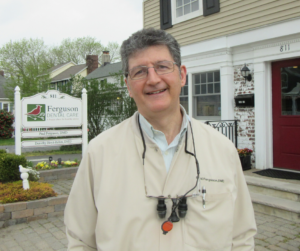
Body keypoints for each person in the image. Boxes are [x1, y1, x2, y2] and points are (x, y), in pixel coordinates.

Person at [64, 28, 257, 251]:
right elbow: (80, 240)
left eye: (163, 67)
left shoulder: (222, 149)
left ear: (182, 75)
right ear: (127, 85)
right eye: (140, 72)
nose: (153, 79)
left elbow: (241, 236)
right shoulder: (99, 153)